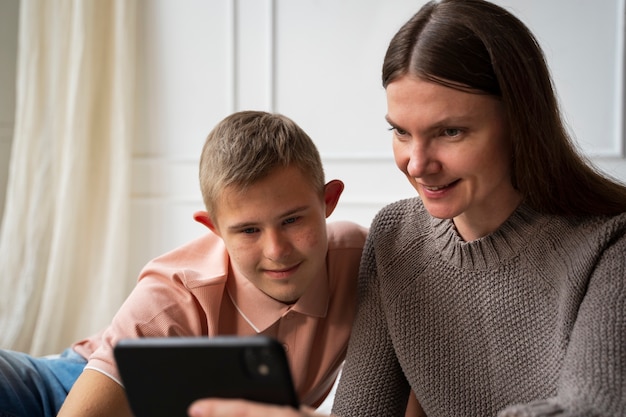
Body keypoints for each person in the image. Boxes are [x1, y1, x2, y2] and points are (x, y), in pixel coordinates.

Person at [187, 1, 626, 416]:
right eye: (400, 132)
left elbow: (591, 411)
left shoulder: (612, 244)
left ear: (520, 123)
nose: (417, 164)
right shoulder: (395, 237)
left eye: (450, 131)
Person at [0, 110, 368, 417]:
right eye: (249, 230)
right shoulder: (173, 294)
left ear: (328, 201)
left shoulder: (365, 259)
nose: (277, 249)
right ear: (215, 230)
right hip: (64, 387)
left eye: (292, 221)